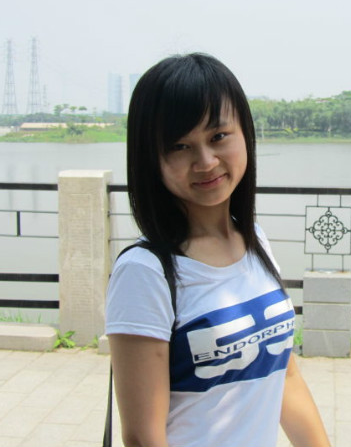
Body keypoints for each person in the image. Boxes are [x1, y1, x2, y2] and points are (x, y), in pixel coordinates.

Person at [105, 53, 331, 447]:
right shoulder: (145, 272)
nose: (206, 162)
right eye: (180, 146)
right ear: (151, 159)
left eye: (218, 137)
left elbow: (285, 375)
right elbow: (143, 437)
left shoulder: (254, 240)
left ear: (245, 133)